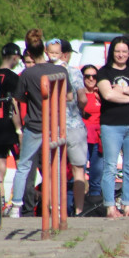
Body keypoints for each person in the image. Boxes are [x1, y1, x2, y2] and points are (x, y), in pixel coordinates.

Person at [7, 33, 69, 218]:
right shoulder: (60, 72)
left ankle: (16, 206)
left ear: (30, 54)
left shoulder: (27, 73)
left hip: (34, 124)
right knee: (54, 167)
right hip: (55, 125)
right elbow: (69, 96)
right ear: (44, 50)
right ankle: (57, 207)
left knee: (24, 166)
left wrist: (31, 98)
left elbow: (17, 98)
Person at [96, 36, 129, 218]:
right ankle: (110, 207)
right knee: (110, 167)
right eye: (117, 51)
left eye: (124, 51)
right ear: (112, 52)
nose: (121, 54)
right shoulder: (104, 72)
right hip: (111, 125)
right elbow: (108, 95)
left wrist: (124, 90)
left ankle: (127, 205)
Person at [45, 38, 88, 215]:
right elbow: (83, 98)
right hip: (73, 124)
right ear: (65, 54)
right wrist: (80, 110)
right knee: (78, 170)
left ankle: (53, 210)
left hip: (51, 125)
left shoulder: (44, 72)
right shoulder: (74, 73)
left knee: (52, 170)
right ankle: (79, 211)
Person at [0, 42, 23, 207]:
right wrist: (19, 128)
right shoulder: (12, 77)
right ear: (15, 57)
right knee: (21, 163)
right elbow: (14, 103)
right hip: (8, 125)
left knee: (0, 163)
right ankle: (17, 200)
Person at [81, 63, 103, 204]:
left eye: (94, 76)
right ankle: (79, 205)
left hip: (99, 138)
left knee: (97, 173)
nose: (91, 79)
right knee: (79, 172)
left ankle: (95, 205)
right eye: (87, 76)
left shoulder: (102, 93)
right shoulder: (79, 93)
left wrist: (100, 96)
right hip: (82, 136)